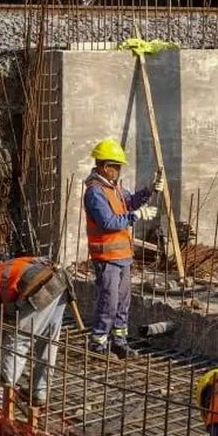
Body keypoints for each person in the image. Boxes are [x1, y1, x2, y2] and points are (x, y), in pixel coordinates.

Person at [83, 138, 161, 357]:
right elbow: (108, 222)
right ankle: (98, 344)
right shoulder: (95, 192)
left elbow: (131, 202)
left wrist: (149, 191)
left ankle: (119, 340)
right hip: (106, 257)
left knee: (123, 303)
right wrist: (135, 216)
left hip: (123, 257)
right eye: (116, 166)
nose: (118, 170)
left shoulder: (114, 188)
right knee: (109, 302)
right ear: (105, 167)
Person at [0, 255, 70, 422]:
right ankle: (39, 392)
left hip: (39, 287)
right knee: (48, 341)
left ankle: (0, 403)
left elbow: (0, 326)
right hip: (60, 282)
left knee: (17, 341)